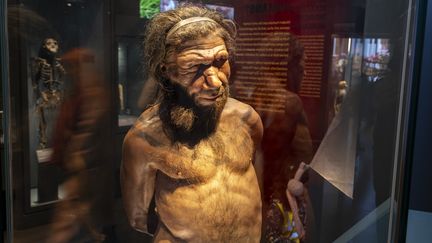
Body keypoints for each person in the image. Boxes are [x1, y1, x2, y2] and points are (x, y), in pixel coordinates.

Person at [120, 5, 263, 243]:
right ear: (167, 71)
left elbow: (258, 182)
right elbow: (138, 218)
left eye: (220, 61)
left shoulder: (246, 119)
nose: (215, 82)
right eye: (195, 67)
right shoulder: (144, 138)